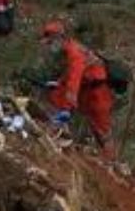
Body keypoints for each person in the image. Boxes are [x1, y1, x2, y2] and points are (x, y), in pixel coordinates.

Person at [38, 20, 116, 161]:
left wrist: (67, 107)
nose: (49, 47)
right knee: (56, 96)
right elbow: (71, 74)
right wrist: (59, 83)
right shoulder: (71, 49)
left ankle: (110, 161)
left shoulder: (74, 53)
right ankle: (58, 132)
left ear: (58, 39)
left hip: (97, 91)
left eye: (50, 43)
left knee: (102, 129)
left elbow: (75, 78)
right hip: (87, 89)